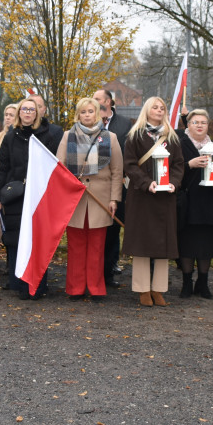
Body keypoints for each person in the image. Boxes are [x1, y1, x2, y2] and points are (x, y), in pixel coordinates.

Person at [0, 96, 63, 299]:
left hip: (39, 196)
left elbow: (54, 166)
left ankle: (38, 285)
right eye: (24, 109)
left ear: (37, 113)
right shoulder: (10, 137)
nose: (27, 113)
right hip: (15, 196)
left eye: (31, 109)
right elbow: (3, 167)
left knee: (37, 241)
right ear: (19, 113)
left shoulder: (47, 136)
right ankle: (20, 284)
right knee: (16, 240)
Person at [56, 97, 123, 300]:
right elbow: (59, 167)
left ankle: (96, 288)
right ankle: (75, 288)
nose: (87, 115)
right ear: (78, 115)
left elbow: (117, 171)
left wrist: (114, 199)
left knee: (97, 246)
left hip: (100, 199)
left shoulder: (110, 137)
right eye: (83, 112)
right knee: (75, 246)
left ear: (97, 114)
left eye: (90, 111)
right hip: (74, 198)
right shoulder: (68, 136)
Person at [122, 96, 185, 306]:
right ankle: (142, 289)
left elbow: (178, 164)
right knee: (141, 244)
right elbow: (130, 165)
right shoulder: (135, 135)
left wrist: (174, 182)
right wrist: (146, 183)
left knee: (163, 244)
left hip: (165, 198)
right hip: (142, 197)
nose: (159, 110)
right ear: (147, 111)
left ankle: (158, 289)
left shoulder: (172, 137)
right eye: (155, 107)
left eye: (162, 108)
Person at [177, 108, 213, 299]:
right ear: (188, 125)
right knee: (187, 246)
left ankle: (203, 283)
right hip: (188, 203)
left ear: (208, 125)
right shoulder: (180, 144)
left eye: (203, 122)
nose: (199, 126)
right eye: (195, 122)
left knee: (206, 246)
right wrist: (190, 165)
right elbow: (172, 170)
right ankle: (187, 282)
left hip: (209, 203)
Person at [93, 89, 133, 288]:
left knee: (112, 229)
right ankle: (94, 274)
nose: (93, 101)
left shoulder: (124, 124)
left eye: (97, 99)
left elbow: (127, 150)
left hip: (117, 182)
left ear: (108, 101)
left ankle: (109, 272)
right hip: (94, 184)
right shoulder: (89, 120)